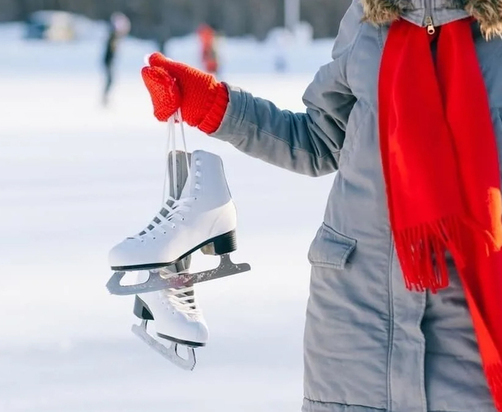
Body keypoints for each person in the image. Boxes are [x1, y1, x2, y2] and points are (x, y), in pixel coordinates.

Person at [140, 1, 502, 411]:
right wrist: (212, 103)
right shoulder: (369, 18)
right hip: (354, 333)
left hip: (474, 332)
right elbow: (321, 139)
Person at [102, 12, 131, 106]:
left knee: (110, 80)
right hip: (108, 61)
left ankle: (106, 98)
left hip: (108, 61)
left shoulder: (113, 36)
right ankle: (105, 98)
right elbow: (112, 48)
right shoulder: (113, 36)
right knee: (110, 80)